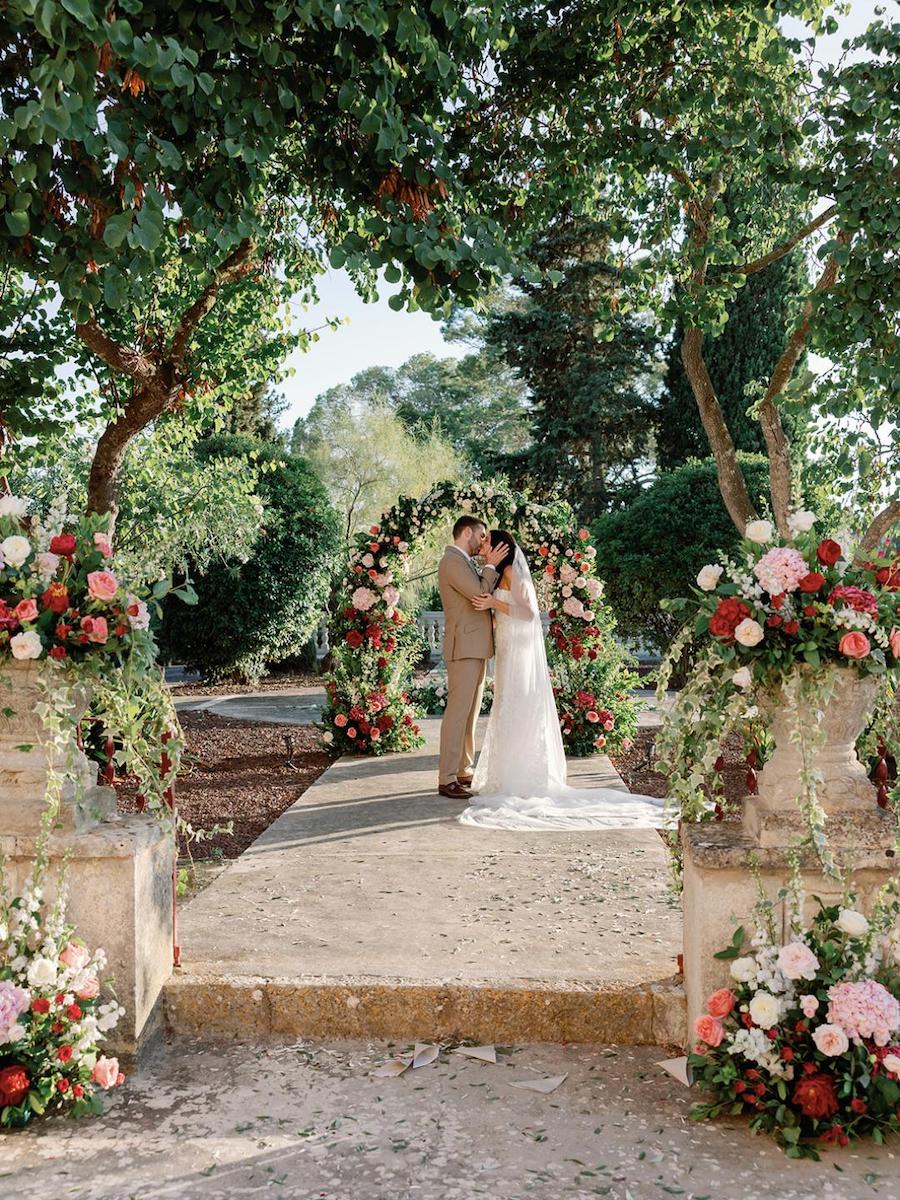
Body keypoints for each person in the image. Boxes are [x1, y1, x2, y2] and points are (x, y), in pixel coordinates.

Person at [459, 529, 667, 830]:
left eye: (488, 541)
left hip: (519, 651)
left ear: (501, 548)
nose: (483, 545)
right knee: (508, 707)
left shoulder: (511, 575)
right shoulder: (499, 574)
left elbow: (529, 613)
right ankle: (506, 774)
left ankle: (521, 778)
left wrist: (493, 604)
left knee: (517, 707)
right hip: (507, 648)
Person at [436, 515, 508, 799]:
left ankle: (463, 769)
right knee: (457, 713)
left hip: (475, 646)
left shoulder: (464, 561)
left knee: (469, 713)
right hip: (463, 647)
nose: (483, 541)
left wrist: (488, 567)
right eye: (480, 535)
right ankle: (446, 778)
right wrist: (490, 565)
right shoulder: (452, 561)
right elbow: (479, 593)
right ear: (467, 532)